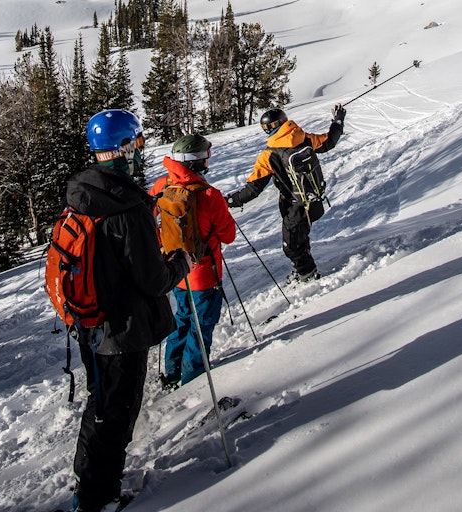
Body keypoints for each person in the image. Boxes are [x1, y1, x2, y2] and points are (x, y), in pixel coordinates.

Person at [66, 109, 190, 512]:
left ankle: (87, 481)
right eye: (136, 143)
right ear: (121, 148)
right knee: (117, 411)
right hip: (122, 328)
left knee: (99, 402)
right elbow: (152, 279)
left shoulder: (85, 193)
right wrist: (180, 264)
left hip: (89, 322)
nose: (140, 150)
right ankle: (97, 497)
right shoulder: (126, 206)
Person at [149, 134, 236, 388]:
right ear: (197, 162)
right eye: (205, 157)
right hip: (204, 274)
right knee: (201, 327)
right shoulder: (210, 195)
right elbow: (228, 235)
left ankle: (172, 372)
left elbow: (147, 219)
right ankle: (193, 380)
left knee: (183, 317)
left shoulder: (161, 186)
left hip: (175, 270)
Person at [224, 104, 345, 282]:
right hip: (314, 202)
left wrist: (230, 200)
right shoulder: (303, 138)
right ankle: (305, 271)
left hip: (295, 207)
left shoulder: (269, 155)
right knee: (299, 238)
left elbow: (253, 189)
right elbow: (328, 142)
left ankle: (307, 275)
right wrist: (338, 122)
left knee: (292, 246)